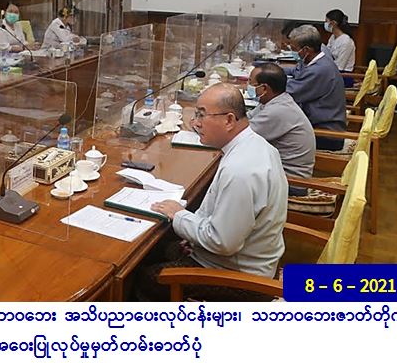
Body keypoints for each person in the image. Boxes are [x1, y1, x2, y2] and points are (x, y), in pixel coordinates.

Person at [139, 83, 287, 301]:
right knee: (161, 246)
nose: (195, 123)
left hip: (240, 279)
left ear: (229, 120)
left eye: (202, 115)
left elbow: (222, 242)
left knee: (144, 278)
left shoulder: (240, 171)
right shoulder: (255, 145)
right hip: (245, 257)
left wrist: (178, 214)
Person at [247, 63, 316, 196]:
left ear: (264, 88)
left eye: (251, 83)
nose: (248, 86)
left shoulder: (278, 110)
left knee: (229, 176)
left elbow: (240, 136)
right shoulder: (275, 100)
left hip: (290, 182)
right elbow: (247, 118)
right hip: (275, 171)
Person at [286, 24, 347, 151]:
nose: (292, 51)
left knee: (273, 137)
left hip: (325, 134)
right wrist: (272, 70)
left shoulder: (319, 70)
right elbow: (296, 72)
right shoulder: (316, 60)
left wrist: (266, 81)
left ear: (306, 50)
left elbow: (289, 92)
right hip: (314, 124)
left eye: (293, 49)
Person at [325, 8, 356, 73]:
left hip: (342, 74)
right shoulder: (333, 37)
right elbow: (327, 54)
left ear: (333, 23)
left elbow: (340, 66)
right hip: (331, 71)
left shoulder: (346, 41)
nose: (325, 24)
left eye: (326, 21)